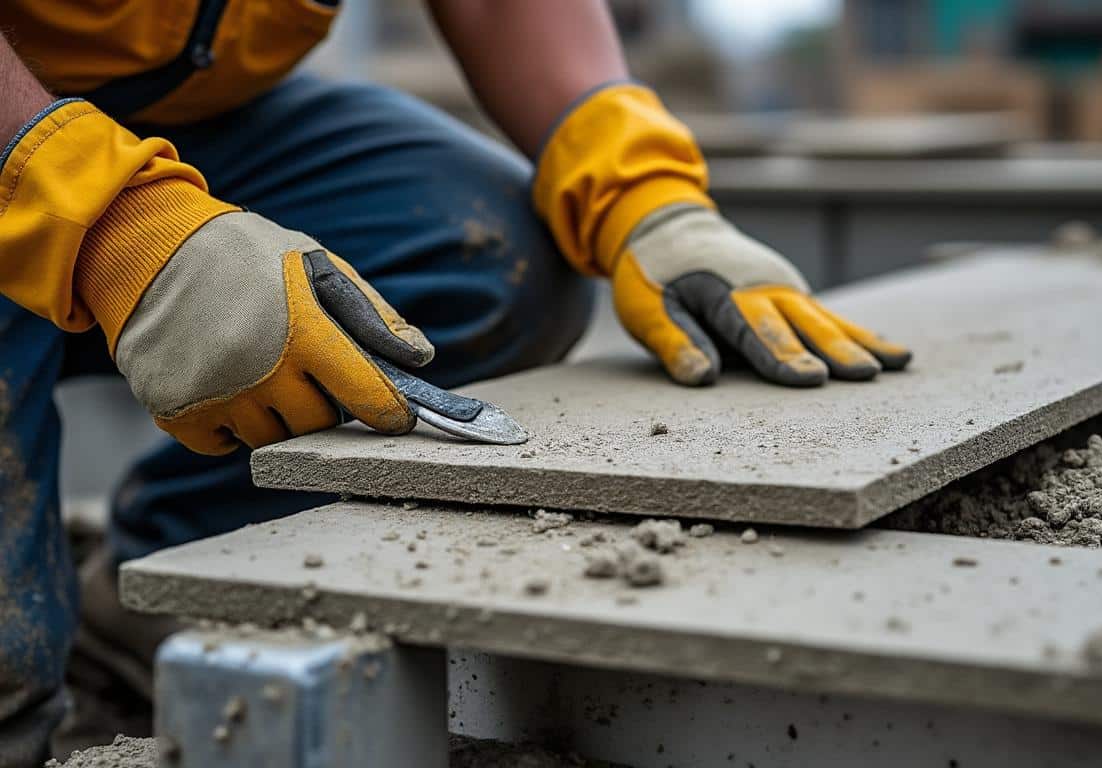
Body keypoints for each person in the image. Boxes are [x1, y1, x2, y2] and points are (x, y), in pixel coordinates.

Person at [0, 2, 910, 763]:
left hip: (174, 115)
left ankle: (162, 579)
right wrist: (117, 225)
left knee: (482, 243)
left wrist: (643, 195)